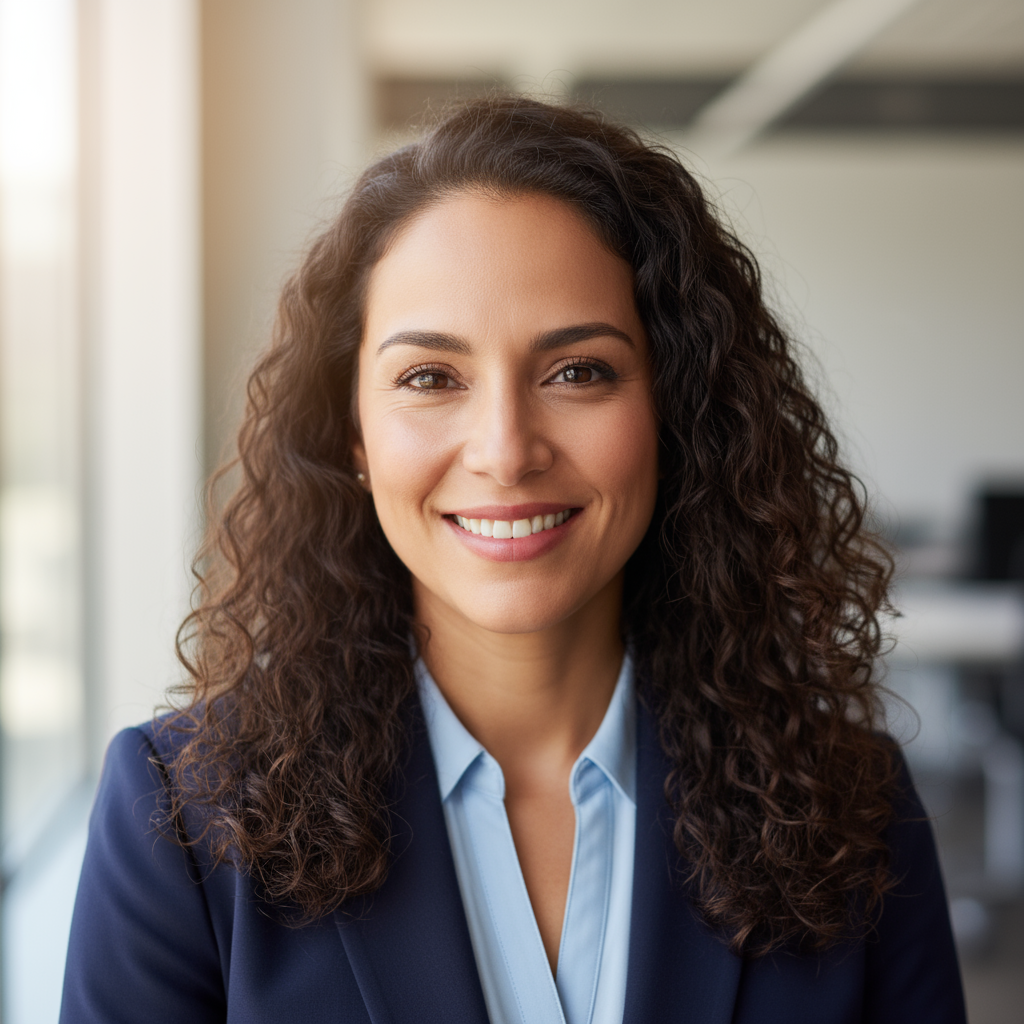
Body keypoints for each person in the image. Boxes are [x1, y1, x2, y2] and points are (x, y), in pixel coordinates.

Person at [60, 96, 966, 1024]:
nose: (505, 448)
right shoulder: (180, 817)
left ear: (676, 411)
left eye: (578, 371)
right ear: (353, 432)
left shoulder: (852, 808)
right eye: (429, 378)